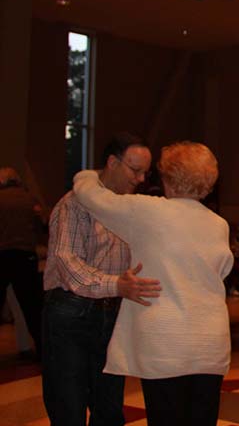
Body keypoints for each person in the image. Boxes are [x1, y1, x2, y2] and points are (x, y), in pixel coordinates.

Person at [72, 141, 233, 426]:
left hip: (164, 342)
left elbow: (90, 196)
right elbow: (221, 271)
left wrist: (89, 174)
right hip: (210, 343)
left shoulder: (146, 211)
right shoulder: (219, 224)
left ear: (167, 179)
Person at [42, 133, 161, 426]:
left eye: (145, 172)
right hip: (70, 311)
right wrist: (116, 284)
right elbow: (68, 264)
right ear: (112, 162)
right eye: (135, 170)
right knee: (68, 404)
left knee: (109, 407)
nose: (141, 179)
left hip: (111, 312)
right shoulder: (74, 204)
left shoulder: (127, 206)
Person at [0, 167, 44, 357]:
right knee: (32, 306)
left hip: (2, 255)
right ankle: (43, 349)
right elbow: (41, 226)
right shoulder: (30, 199)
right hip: (25, 257)